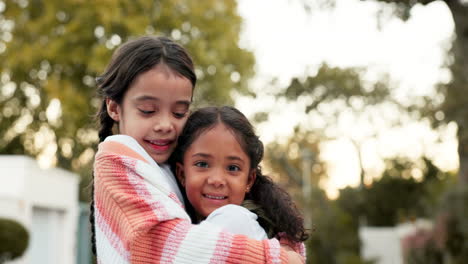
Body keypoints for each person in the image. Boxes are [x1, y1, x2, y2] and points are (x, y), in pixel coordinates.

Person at [91, 35, 305, 263]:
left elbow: (265, 217)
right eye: (148, 110)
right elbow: (162, 245)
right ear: (114, 107)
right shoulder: (116, 157)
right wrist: (274, 258)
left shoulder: (175, 164)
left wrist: (287, 245)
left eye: (179, 113)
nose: (165, 125)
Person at [171, 106, 308, 248]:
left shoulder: (234, 219)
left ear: (249, 180)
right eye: (203, 164)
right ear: (182, 173)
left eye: (232, 168)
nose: (217, 180)